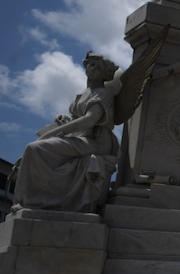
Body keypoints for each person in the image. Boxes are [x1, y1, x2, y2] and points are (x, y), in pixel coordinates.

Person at [11, 52, 121, 213]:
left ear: (105, 74)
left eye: (98, 67)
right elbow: (78, 119)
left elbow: (89, 120)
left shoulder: (104, 93)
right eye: (90, 64)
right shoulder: (84, 93)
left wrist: (57, 132)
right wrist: (65, 120)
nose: (92, 69)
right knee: (35, 149)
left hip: (95, 141)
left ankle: (32, 200)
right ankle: (32, 199)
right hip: (80, 137)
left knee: (34, 148)